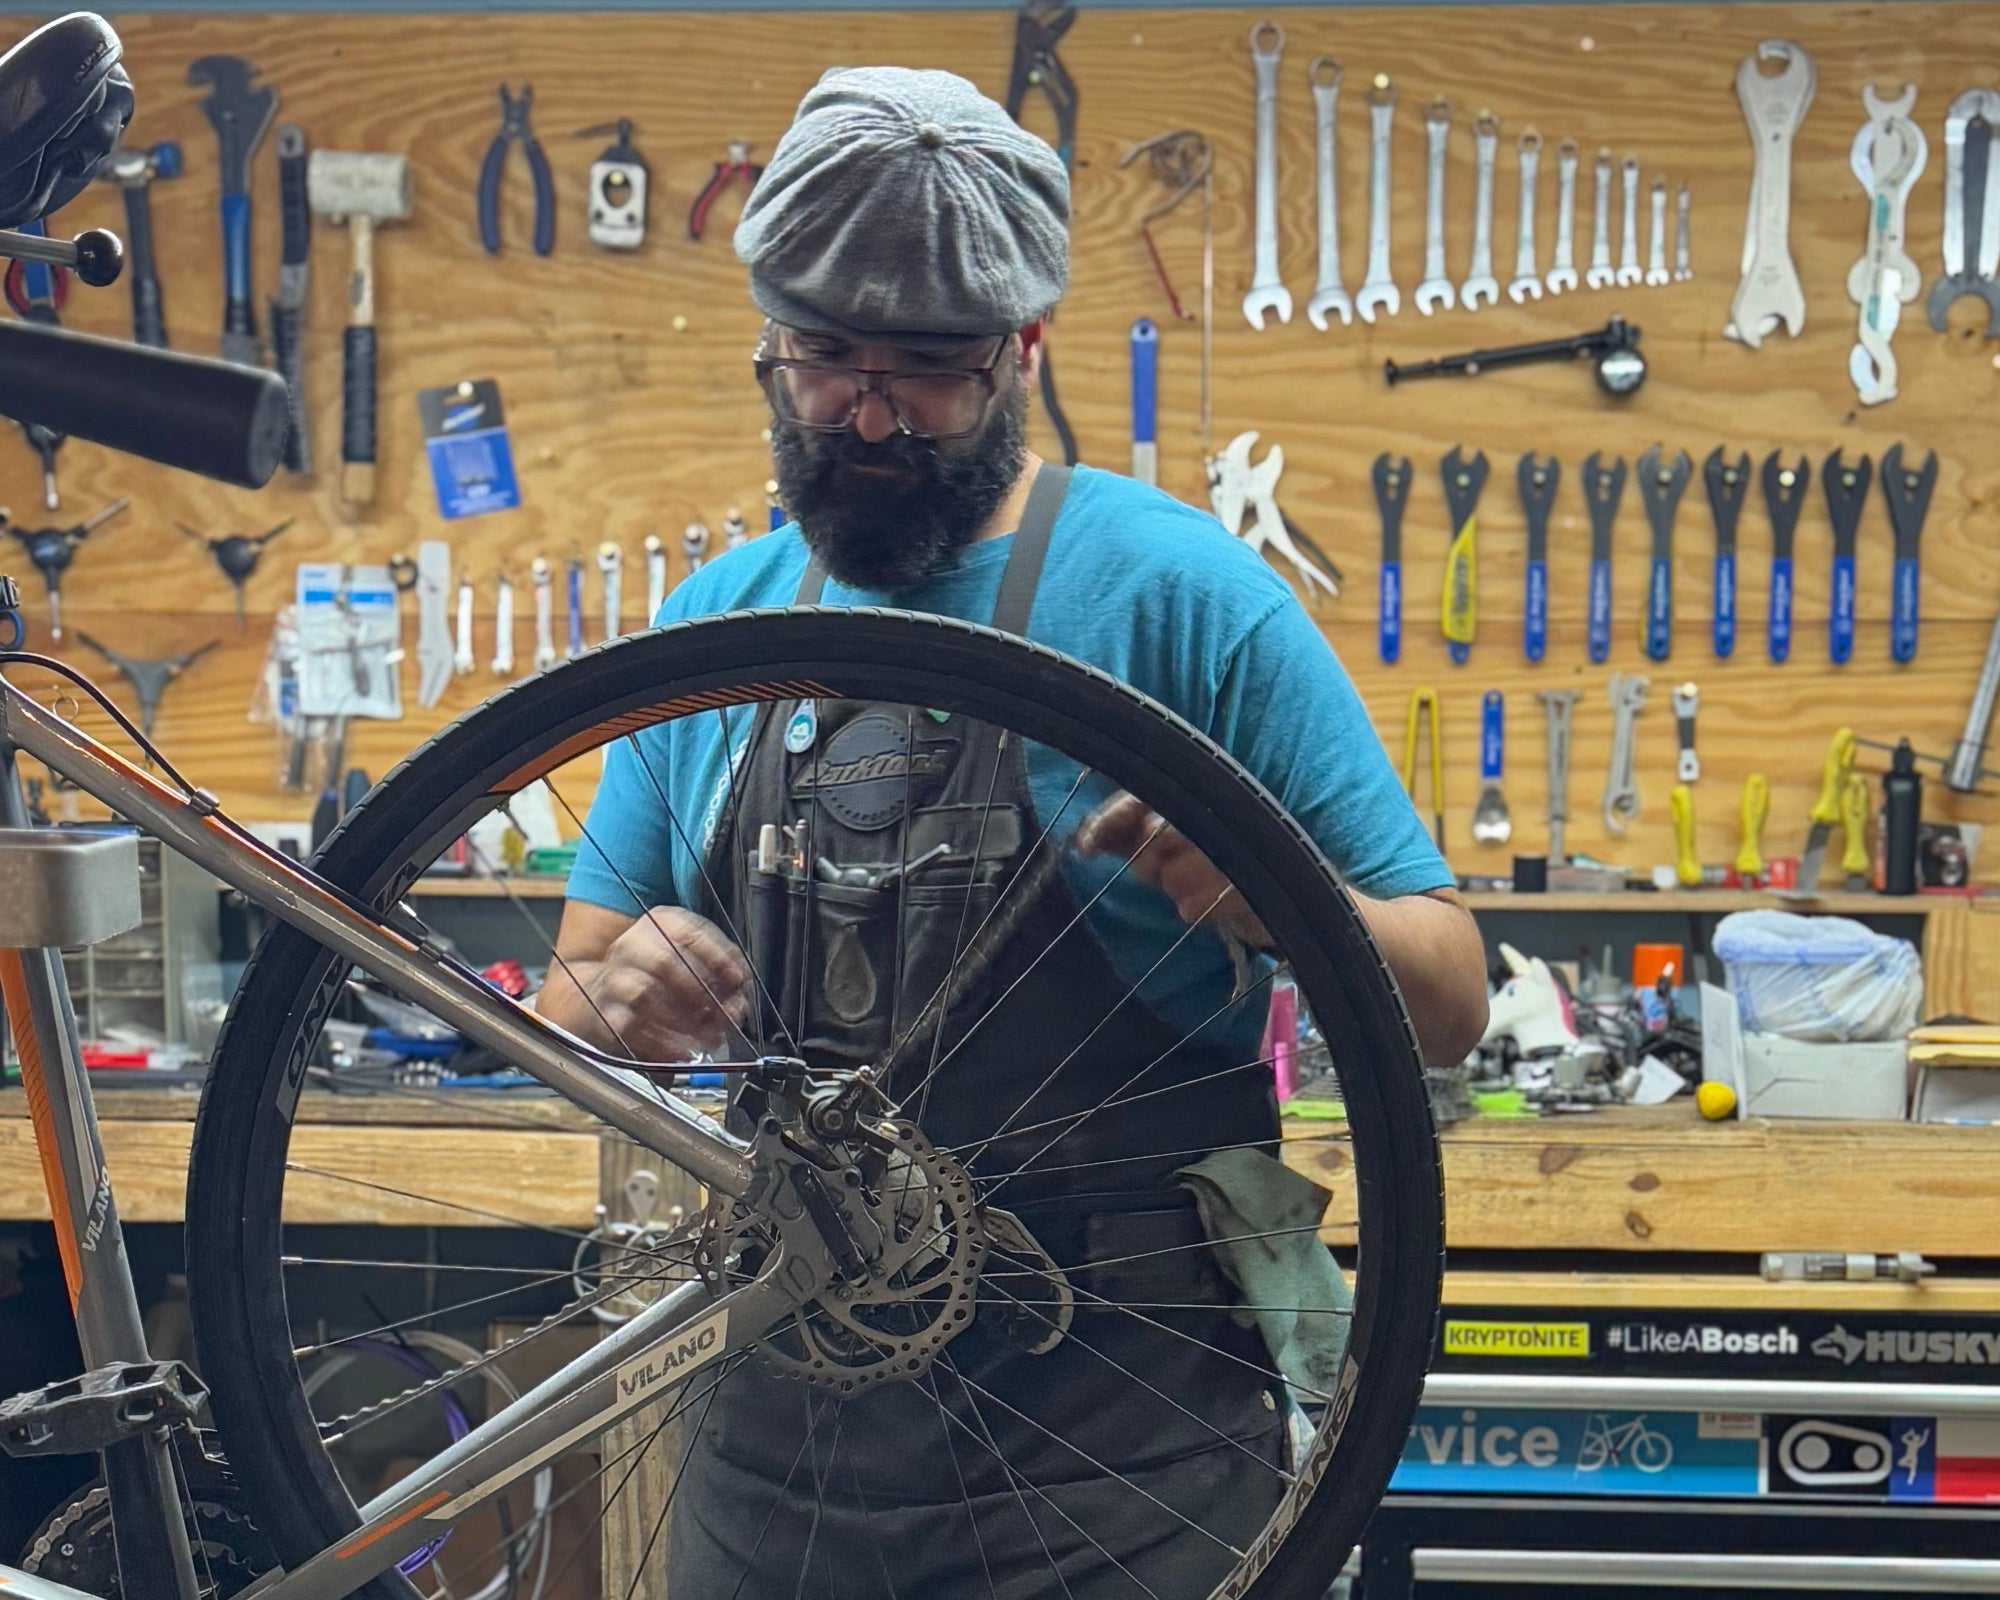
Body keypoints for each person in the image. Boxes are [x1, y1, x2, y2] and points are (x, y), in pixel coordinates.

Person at [540, 65, 1486, 1598]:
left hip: (1124, 1452)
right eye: (823, 358)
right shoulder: (714, 623)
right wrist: (622, 996)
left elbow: (1445, 1003)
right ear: (766, 347)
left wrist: (1277, 901)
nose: (864, 411)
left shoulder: (1183, 598)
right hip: (781, 1439)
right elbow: (568, 994)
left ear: (1025, 350)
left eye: (926, 367)